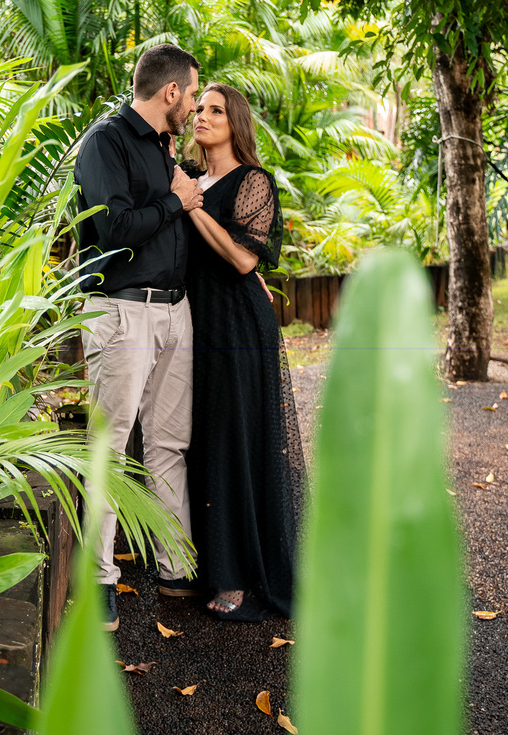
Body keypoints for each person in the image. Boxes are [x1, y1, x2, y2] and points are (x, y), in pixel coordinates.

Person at [74, 44, 206, 631]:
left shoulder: (162, 146)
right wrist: (174, 202)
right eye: (194, 93)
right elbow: (115, 228)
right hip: (123, 313)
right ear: (170, 92)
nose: (197, 105)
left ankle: (174, 564)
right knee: (110, 447)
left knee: (168, 443)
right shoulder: (107, 141)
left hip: (175, 314)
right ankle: (99, 579)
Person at [181, 82, 307, 621]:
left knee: (234, 441)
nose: (202, 117)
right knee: (200, 440)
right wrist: (185, 195)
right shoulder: (187, 179)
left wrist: (191, 207)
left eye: (215, 110)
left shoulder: (253, 181)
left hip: (236, 324)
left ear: (236, 122)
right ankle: (204, 562)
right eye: (199, 109)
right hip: (192, 321)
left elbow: (242, 261)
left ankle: (237, 575)